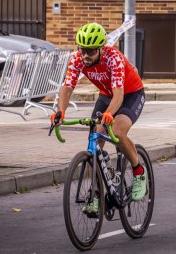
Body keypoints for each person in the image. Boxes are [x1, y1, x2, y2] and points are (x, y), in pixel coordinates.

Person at [51, 22, 147, 211]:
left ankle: (138, 170)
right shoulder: (77, 59)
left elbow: (119, 93)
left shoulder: (114, 58)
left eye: (91, 51)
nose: (85, 55)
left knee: (118, 132)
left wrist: (110, 113)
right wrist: (60, 112)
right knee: (94, 142)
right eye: (83, 50)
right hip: (106, 95)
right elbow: (67, 86)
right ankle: (95, 194)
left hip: (130, 94)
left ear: (101, 48)